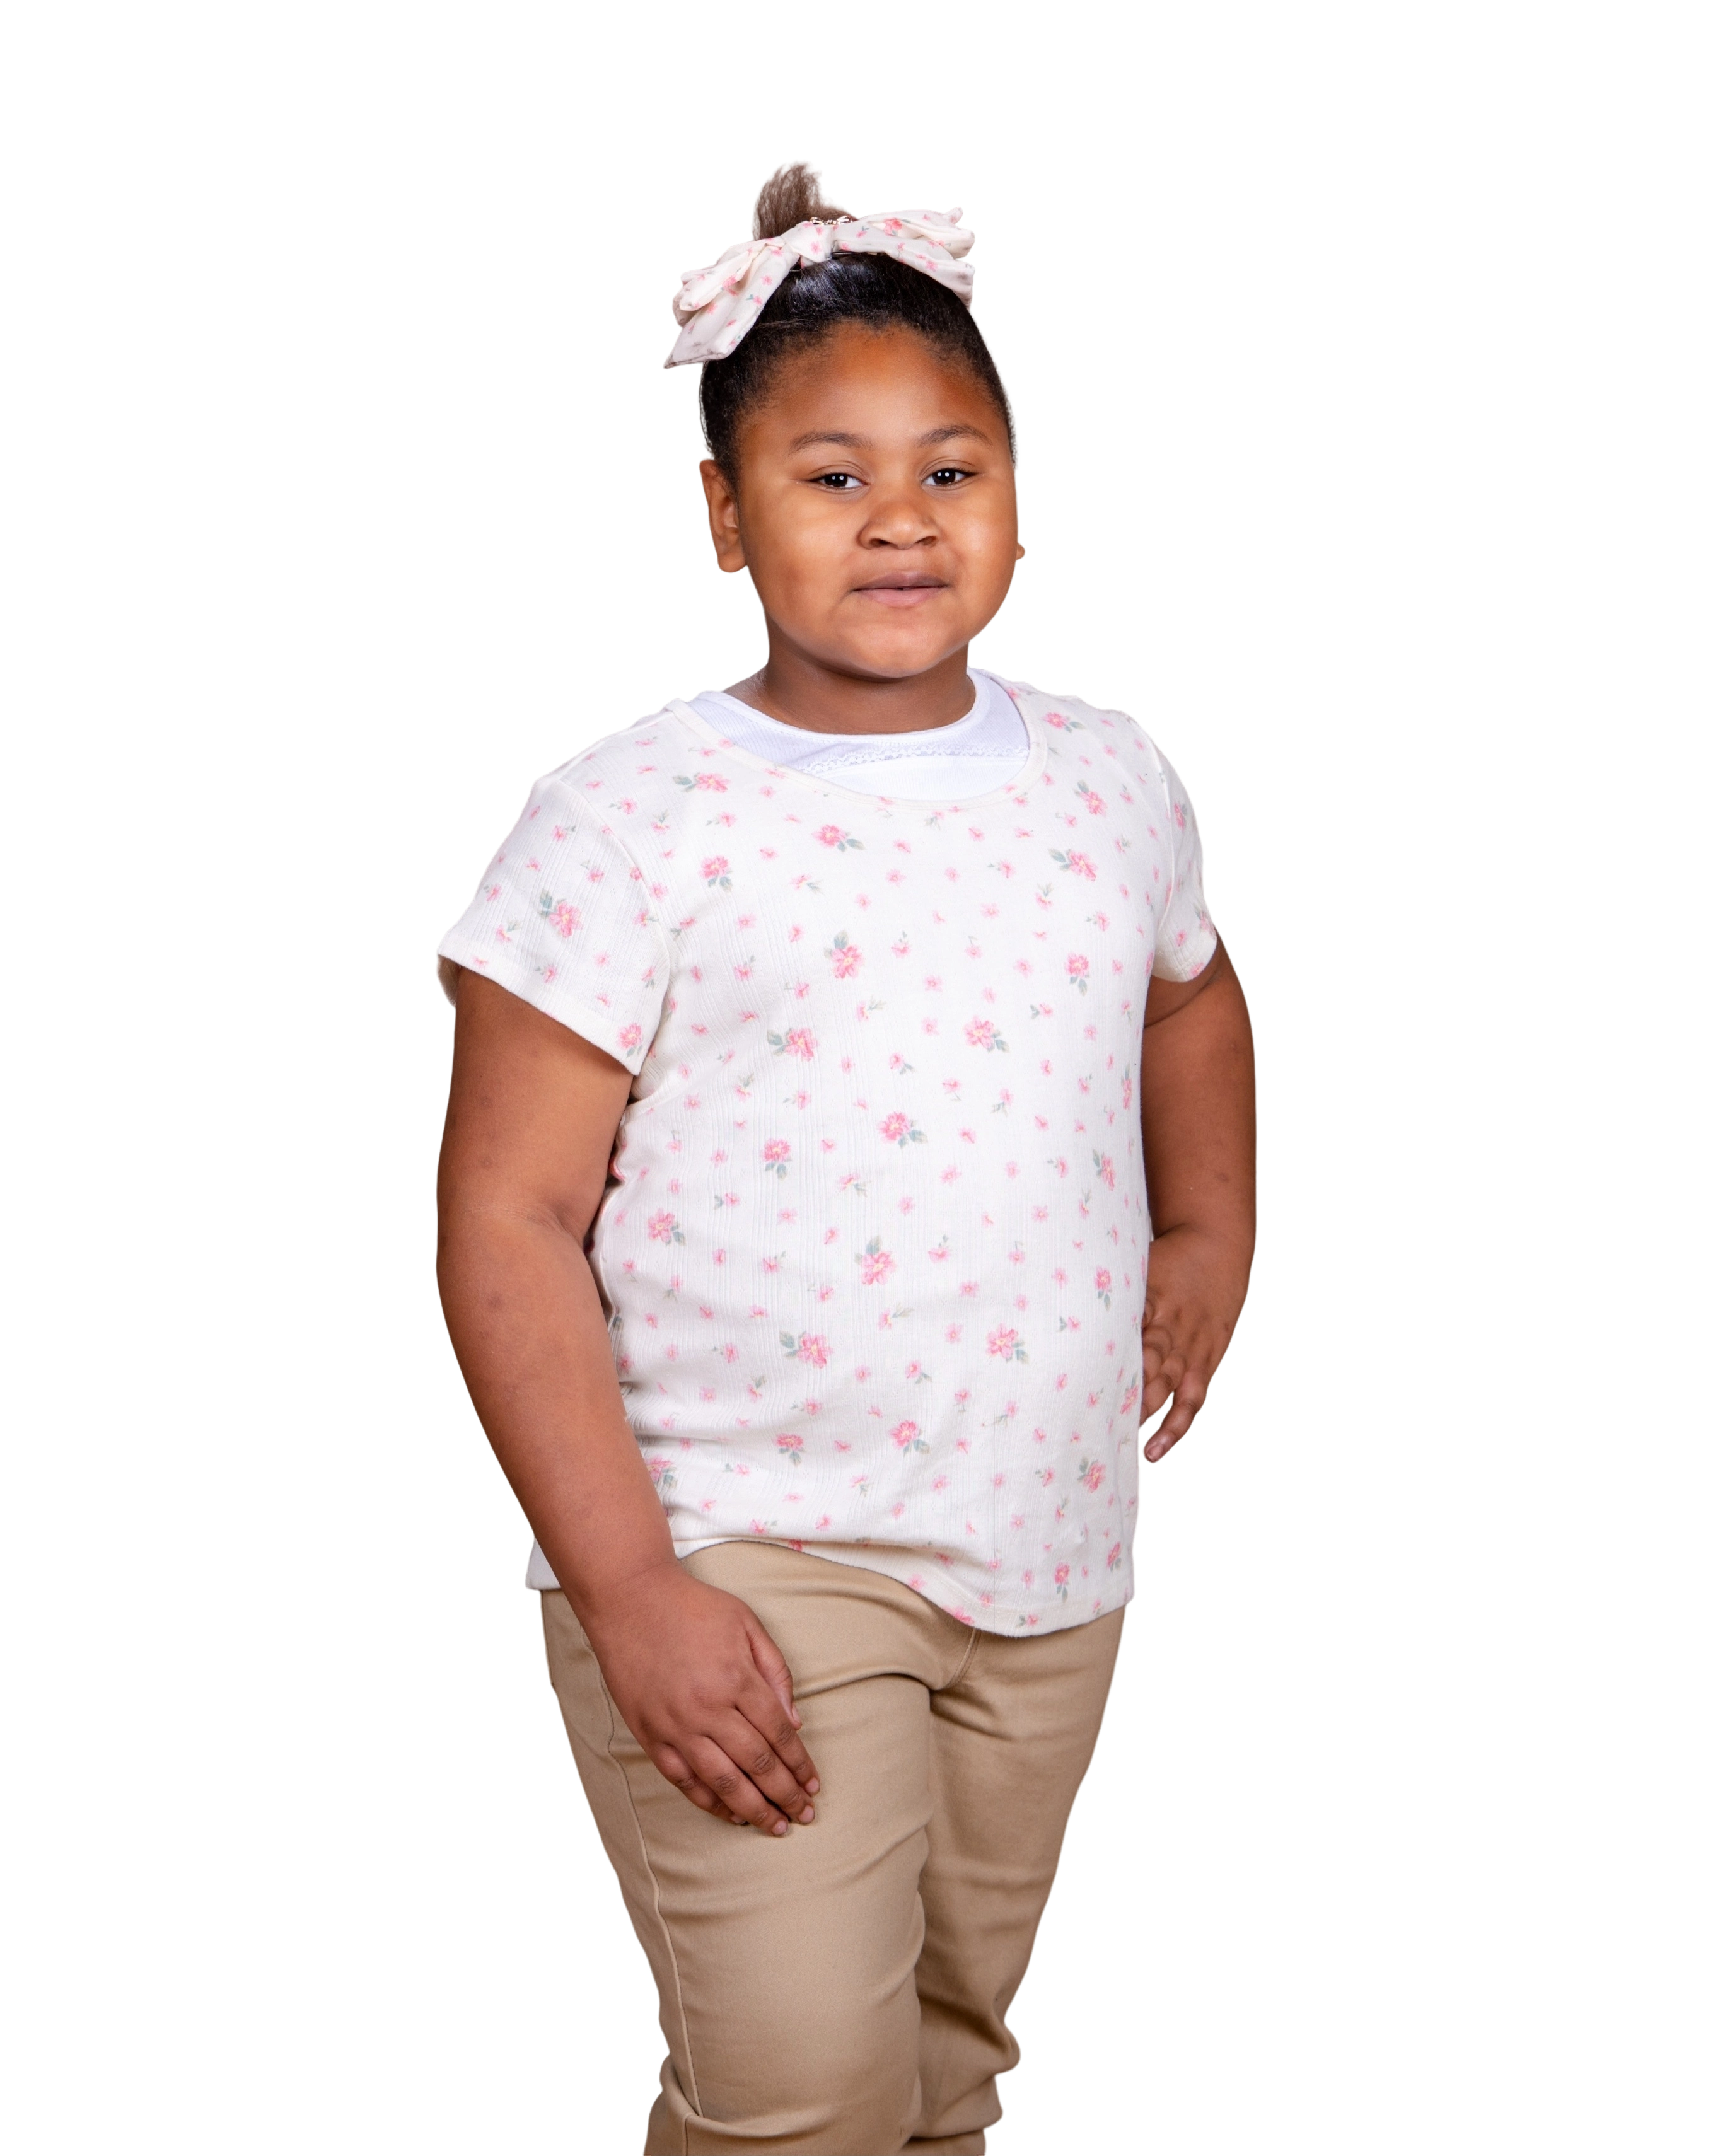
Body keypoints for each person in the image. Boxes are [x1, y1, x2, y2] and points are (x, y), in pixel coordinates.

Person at [431, 156, 1259, 2156]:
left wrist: (1211, 1236)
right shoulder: (633, 815)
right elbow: (507, 1217)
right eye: (831, 475)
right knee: (801, 2085)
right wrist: (631, 1581)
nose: (902, 516)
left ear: (1019, 495)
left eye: (952, 469)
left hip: (1049, 1545)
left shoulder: (1108, 779)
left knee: (945, 2060)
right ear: (724, 514)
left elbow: (1191, 1003)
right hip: (744, 1541)